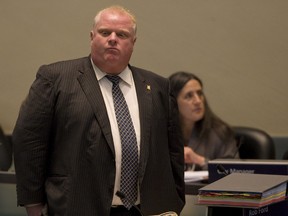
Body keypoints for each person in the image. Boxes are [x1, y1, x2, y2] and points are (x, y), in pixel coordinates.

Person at [12, 5, 185, 216]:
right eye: (105, 32)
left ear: (133, 42)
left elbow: (174, 151)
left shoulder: (158, 86)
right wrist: (33, 205)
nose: (113, 39)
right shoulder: (56, 79)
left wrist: (175, 200)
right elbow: (29, 143)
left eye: (122, 34)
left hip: (147, 210)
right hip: (77, 205)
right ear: (92, 36)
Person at [169, 71, 239, 171]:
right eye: (189, 96)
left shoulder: (221, 133)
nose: (198, 101)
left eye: (199, 93)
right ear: (173, 102)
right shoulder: (160, 133)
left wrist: (199, 160)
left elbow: (234, 172)